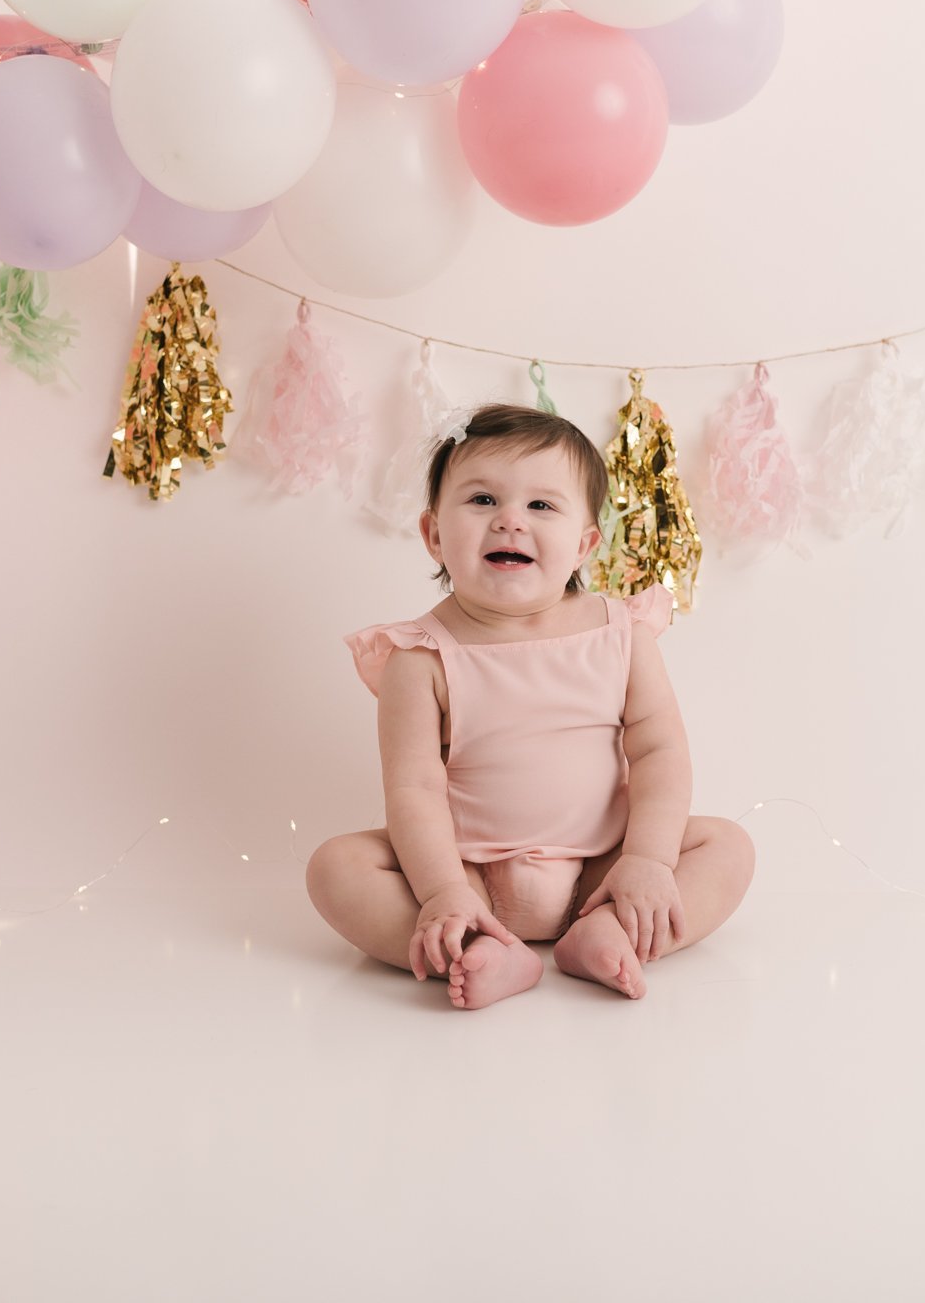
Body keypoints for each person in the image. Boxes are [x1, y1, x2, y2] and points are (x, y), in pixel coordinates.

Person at [305, 402, 755, 1009]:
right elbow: (413, 787)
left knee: (726, 848)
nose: (509, 521)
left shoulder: (621, 634)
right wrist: (441, 891)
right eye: (482, 500)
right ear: (435, 534)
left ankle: (608, 930)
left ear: (584, 544)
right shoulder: (419, 655)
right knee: (336, 867)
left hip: (604, 866)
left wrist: (646, 859)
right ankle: (477, 946)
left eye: (541, 505)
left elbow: (659, 750)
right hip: (467, 872)